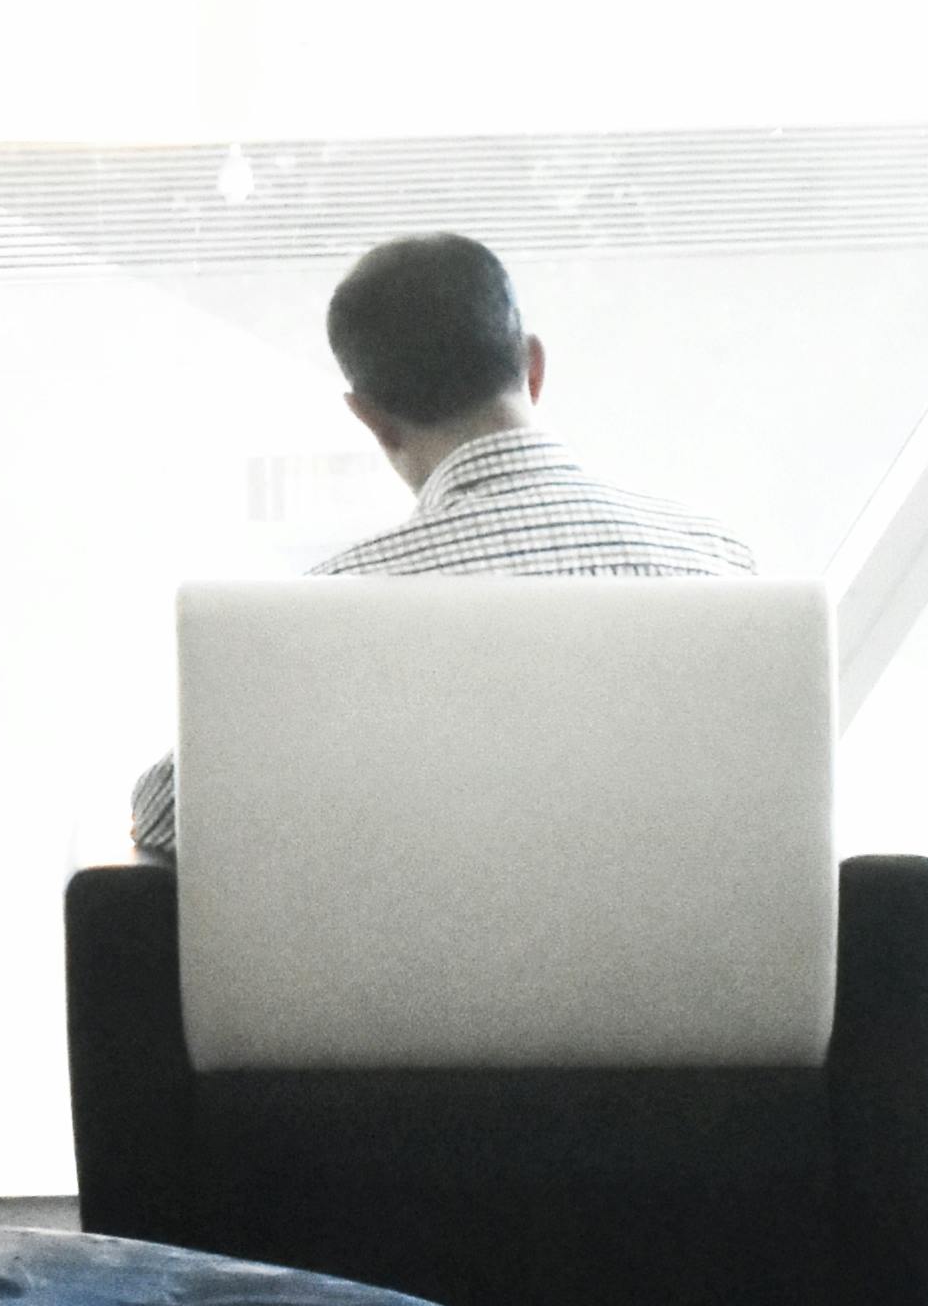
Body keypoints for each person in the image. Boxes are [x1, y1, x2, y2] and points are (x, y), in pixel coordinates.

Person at [127, 229, 749, 858]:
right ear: (532, 367)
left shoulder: (323, 616)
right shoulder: (720, 562)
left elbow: (161, 819)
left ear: (370, 418)